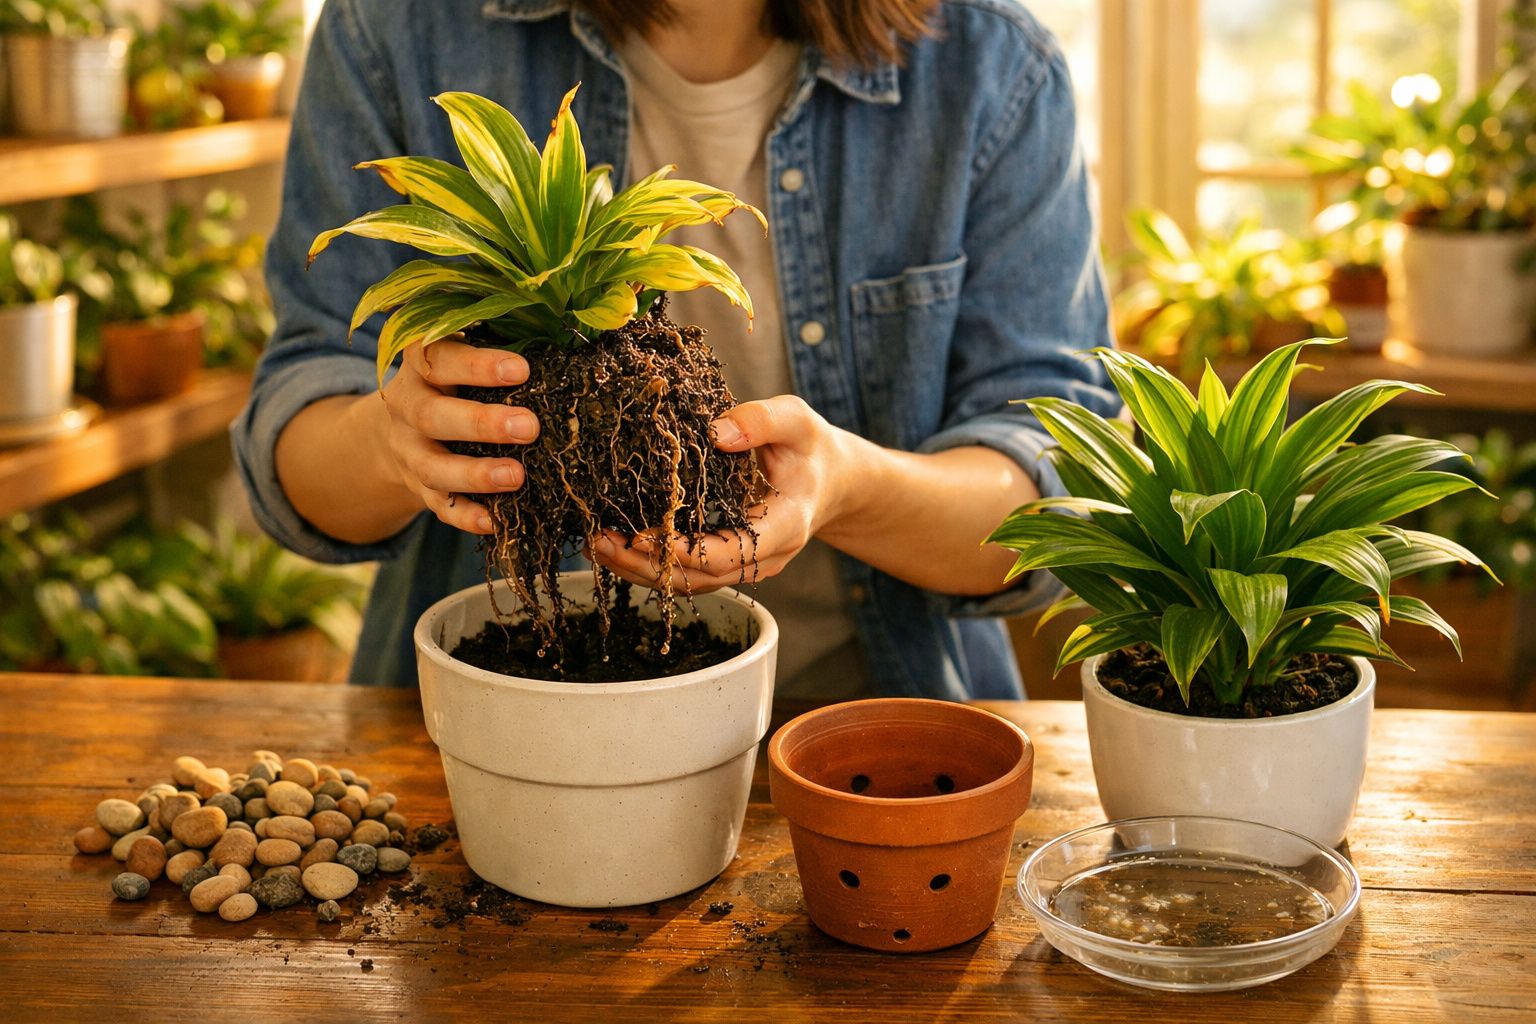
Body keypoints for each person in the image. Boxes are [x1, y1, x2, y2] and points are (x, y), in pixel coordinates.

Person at [233, 0, 1120, 701]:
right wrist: (393, 440)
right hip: (501, 715)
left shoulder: (992, 65)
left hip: (872, 732)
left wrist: (846, 487)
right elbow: (300, 435)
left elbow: (1054, 499)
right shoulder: (396, 27)